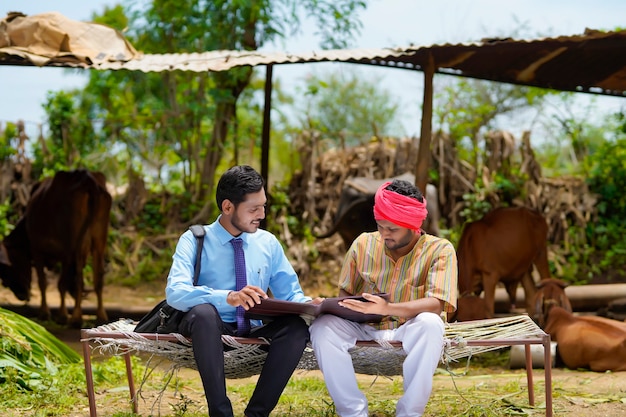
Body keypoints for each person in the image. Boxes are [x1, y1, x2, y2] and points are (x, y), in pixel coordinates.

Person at [165, 165, 316, 417]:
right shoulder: (194, 239)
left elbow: (291, 295)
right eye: (253, 209)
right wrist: (227, 298)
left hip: (254, 328)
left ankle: (256, 414)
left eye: (264, 206)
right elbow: (175, 292)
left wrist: (312, 304)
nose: (262, 214)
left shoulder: (267, 242)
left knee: (296, 327)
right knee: (204, 313)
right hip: (208, 330)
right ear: (227, 207)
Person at [309, 179, 458, 417]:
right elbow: (346, 293)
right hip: (364, 327)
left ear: (413, 225)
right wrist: (332, 306)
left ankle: (409, 413)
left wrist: (389, 307)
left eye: (393, 228)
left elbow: (437, 303)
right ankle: (352, 412)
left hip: (409, 328)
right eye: (380, 226)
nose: (384, 234)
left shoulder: (440, 249)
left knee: (431, 324)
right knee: (323, 327)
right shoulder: (362, 243)